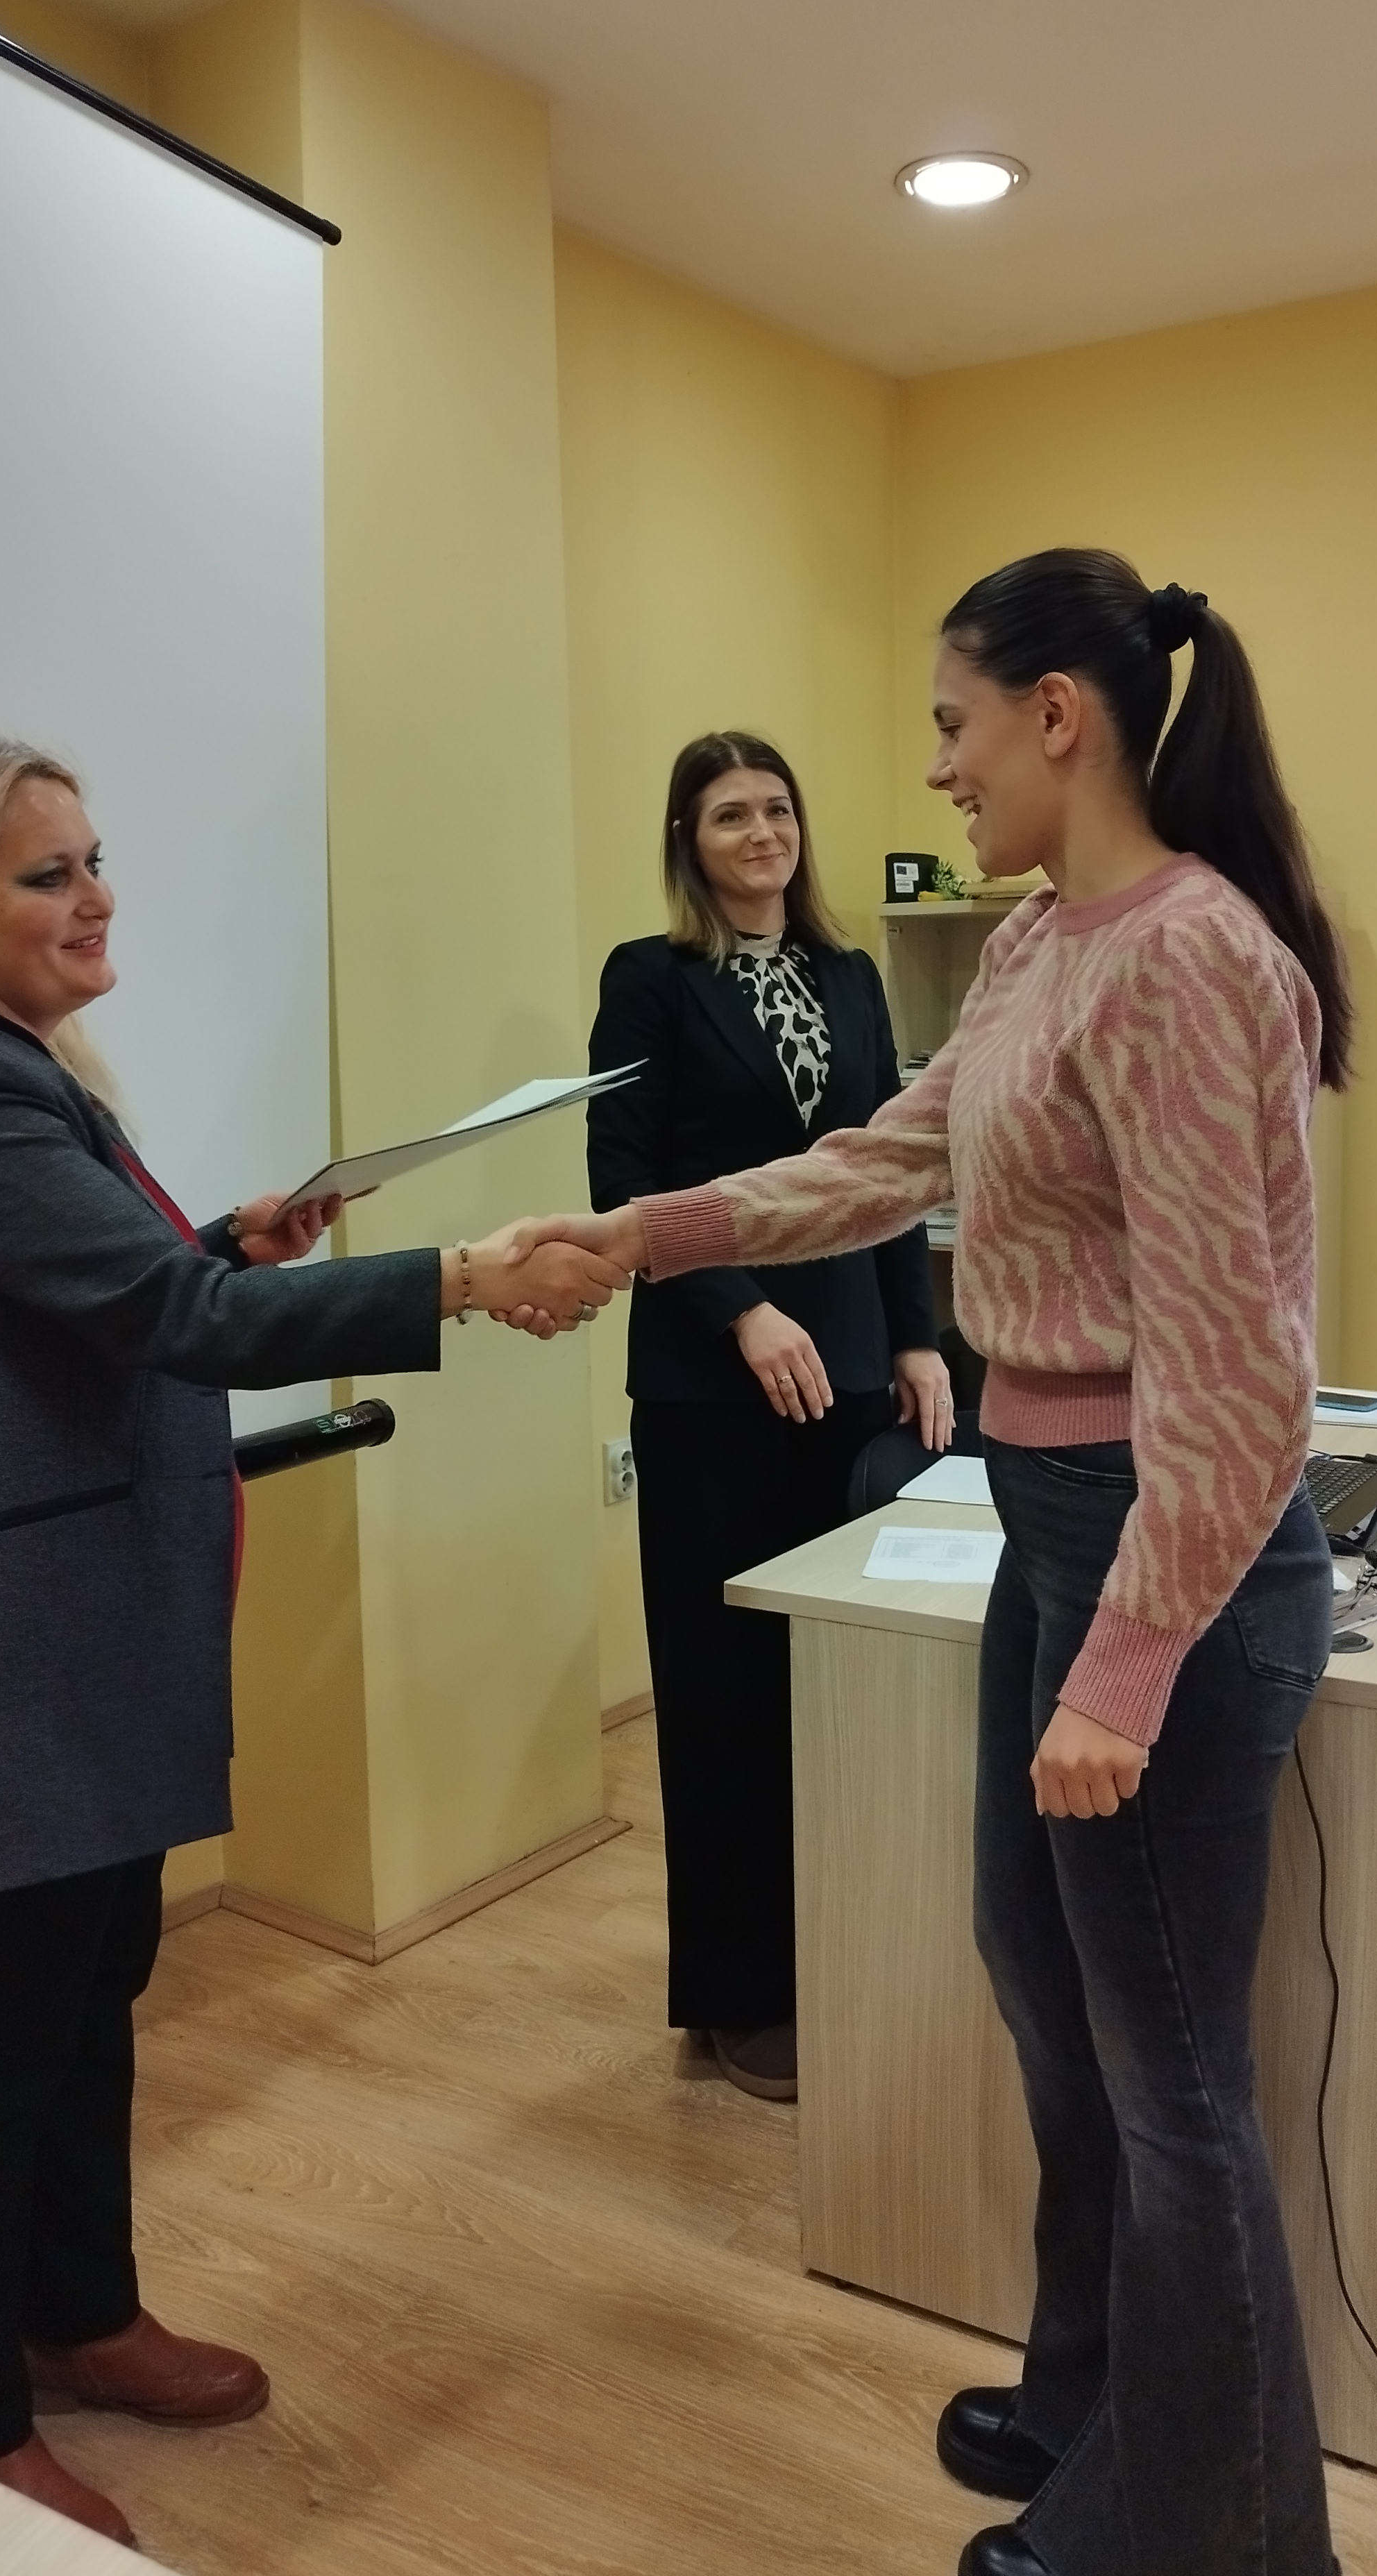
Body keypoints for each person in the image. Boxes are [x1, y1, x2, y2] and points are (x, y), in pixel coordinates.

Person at [514, 553, 1351, 2576]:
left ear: (1060, 715)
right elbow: (887, 1160)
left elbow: (1241, 1371)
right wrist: (641, 1237)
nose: (937, 770)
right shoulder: (1043, 942)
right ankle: (1090, 2397)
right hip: (1046, 1513)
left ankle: (1215, 2532)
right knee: (1044, 1984)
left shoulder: (1187, 955)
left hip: (1167, 1538)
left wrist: (1130, 1663)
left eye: (954, 727)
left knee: (1175, 2082)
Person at [0, 731, 620, 2548]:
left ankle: (79, 2310)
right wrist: (461, 1277)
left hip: (81, 1641)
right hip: (8, 1661)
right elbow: (159, 1315)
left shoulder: (13, 1068)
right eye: (48, 873)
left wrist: (239, 1241)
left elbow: (116, 1295)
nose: (96, 897)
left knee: (91, 1993)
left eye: (95, 859)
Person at [587, 732, 950, 2103]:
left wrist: (915, 1337)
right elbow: (623, 1185)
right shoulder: (651, 979)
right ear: (689, 839)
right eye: (731, 814)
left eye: (779, 809)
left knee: (836, 1681)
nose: (762, 833)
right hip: (709, 1386)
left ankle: (835, 1953)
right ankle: (737, 1997)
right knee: (722, 1689)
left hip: (847, 1370)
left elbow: (889, 1171)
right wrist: (740, 1309)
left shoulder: (849, 975)